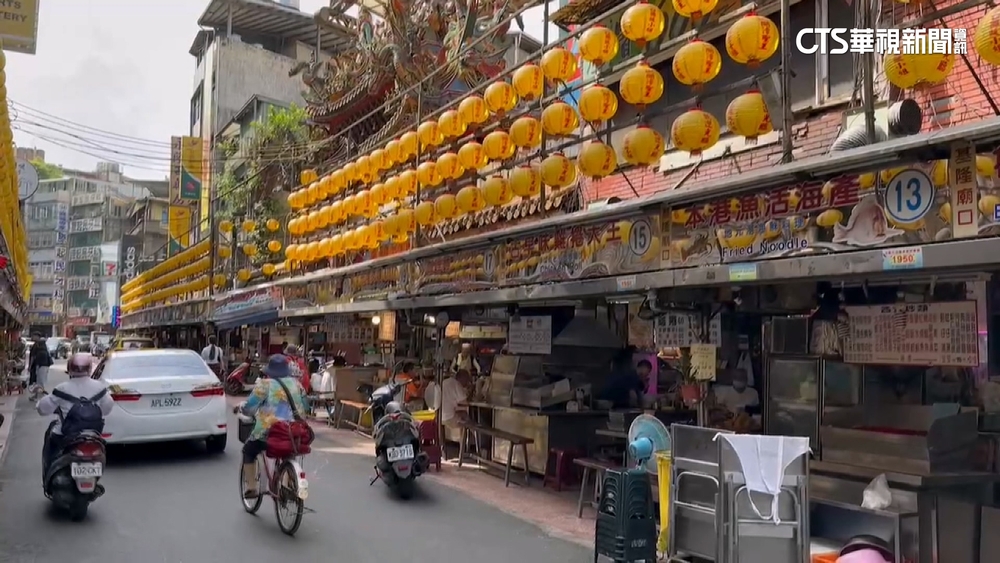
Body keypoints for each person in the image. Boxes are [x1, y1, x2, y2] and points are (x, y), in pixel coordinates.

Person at [239, 355, 309, 498]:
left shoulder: (265, 385)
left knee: (249, 451)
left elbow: (250, 407)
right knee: (288, 452)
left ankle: (251, 488)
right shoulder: (297, 384)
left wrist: (242, 409)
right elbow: (306, 407)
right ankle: (288, 483)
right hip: (293, 432)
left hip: (270, 433)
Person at [36, 353, 115, 472]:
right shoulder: (99, 387)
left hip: (65, 435)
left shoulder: (62, 388)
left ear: (69, 368)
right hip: (93, 434)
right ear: (89, 368)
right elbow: (107, 408)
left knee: (51, 441)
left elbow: (43, 409)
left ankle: (49, 471)